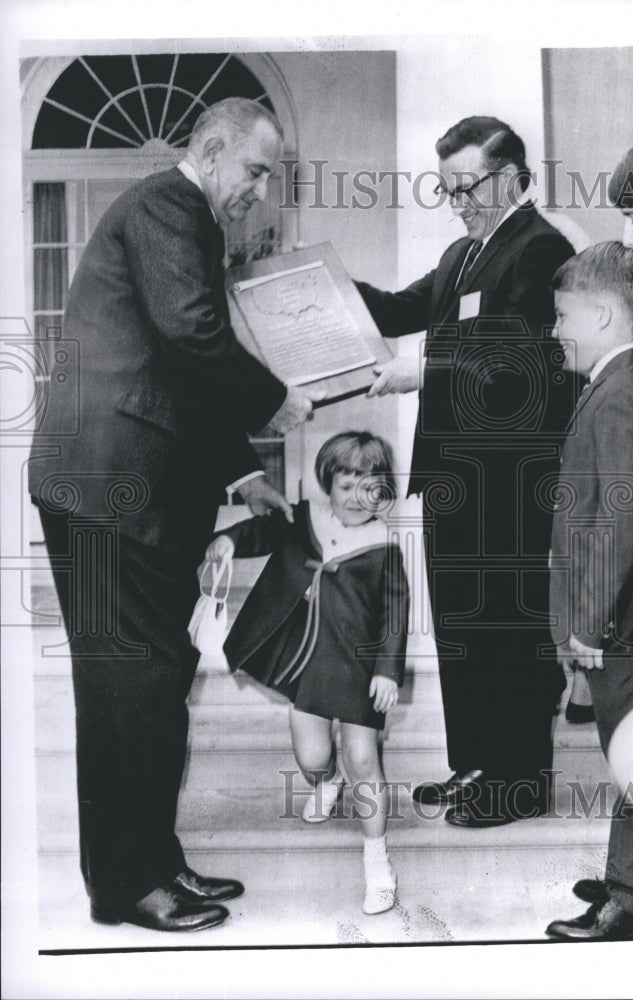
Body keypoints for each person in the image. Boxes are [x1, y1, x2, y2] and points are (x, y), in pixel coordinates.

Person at [28, 97, 322, 932]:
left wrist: (240, 472)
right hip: (105, 492)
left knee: (151, 685)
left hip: (118, 491)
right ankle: (125, 886)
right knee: (130, 690)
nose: (260, 192)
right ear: (212, 148)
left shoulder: (178, 216)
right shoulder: (169, 205)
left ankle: (154, 863)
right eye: (256, 171)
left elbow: (177, 369)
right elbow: (193, 337)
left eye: (270, 178)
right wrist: (278, 399)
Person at [358, 116, 577, 827]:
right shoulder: (461, 255)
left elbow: (517, 353)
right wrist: (317, 285)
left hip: (508, 483)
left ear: (513, 175)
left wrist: (423, 364)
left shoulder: (540, 246)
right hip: (453, 478)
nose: (458, 201)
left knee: (506, 631)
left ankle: (518, 782)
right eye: (447, 189)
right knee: (462, 630)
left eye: (469, 185)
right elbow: (396, 310)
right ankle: (477, 764)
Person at [206, 432, 409, 915]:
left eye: (370, 488)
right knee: (313, 755)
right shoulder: (304, 520)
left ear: (385, 491)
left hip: (361, 670)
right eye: (345, 487)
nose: (357, 499)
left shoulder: (385, 548)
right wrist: (228, 541)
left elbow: (396, 614)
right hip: (307, 663)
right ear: (327, 486)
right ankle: (327, 780)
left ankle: (377, 858)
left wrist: (388, 672)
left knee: (365, 760)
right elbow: (261, 532)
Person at [545, 241, 633, 940]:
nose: (554, 332)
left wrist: (585, 619)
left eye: (562, 317)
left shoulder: (618, 393)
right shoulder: (616, 381)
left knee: (632, 754)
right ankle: (626, 872)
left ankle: (626, 898)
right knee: (625, 753)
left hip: (619, 625)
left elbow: (618, 516)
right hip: (619, 618)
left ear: (607, 315)